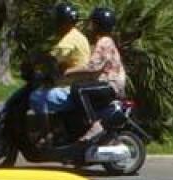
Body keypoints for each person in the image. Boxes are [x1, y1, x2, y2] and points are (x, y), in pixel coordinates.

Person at [28, 2, 90, 137]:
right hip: (74, 85)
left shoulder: (68, 40)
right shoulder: (77, 36)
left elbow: (53, 58)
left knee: (37, 98)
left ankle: (46, 134)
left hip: (72, 88)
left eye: (58, 21)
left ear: (64, 22)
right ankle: (57, 129)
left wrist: (36, 64)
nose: (55, 24)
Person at [67, 6, 125, 143]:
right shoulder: (107, 41)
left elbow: (93, 67)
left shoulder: (103, 42)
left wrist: (68, 71)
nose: (90, 27)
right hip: (110, 84)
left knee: (78, 89)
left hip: (110, 85)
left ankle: (94, 125)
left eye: (92, 23)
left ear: (98, 25)